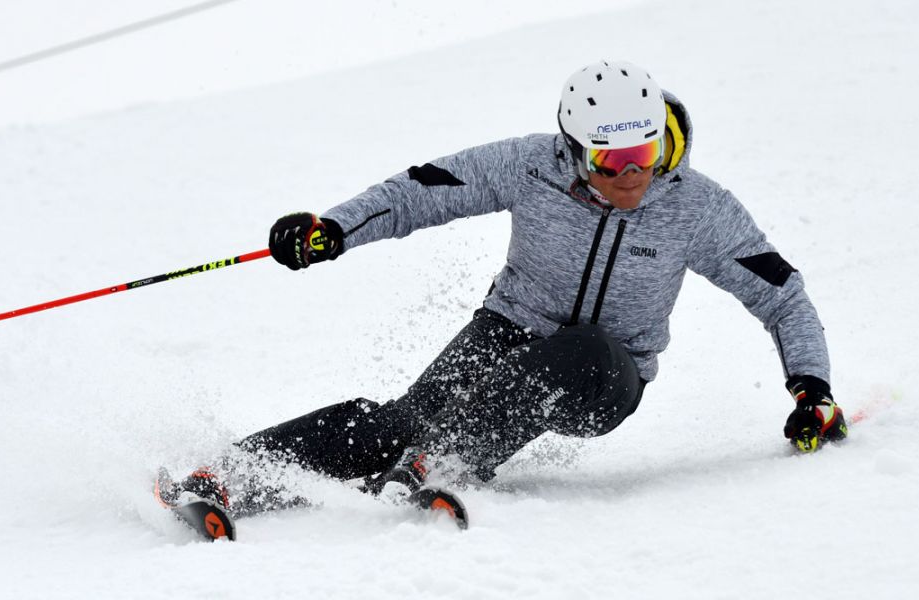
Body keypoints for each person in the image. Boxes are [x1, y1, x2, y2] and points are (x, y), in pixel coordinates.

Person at [156, 60, 848, 516]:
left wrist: (812, 389)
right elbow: (420, 192)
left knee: (581, 350)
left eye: (646, 155)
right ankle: (230, 475)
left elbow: (780, 293)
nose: (635, 174)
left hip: (605, 375)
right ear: (575, 150)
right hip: (509, 326)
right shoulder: (529, 165)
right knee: (397, 419)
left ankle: (442, 460)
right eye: (614, 161)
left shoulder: (696, 205)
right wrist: (333, 230)